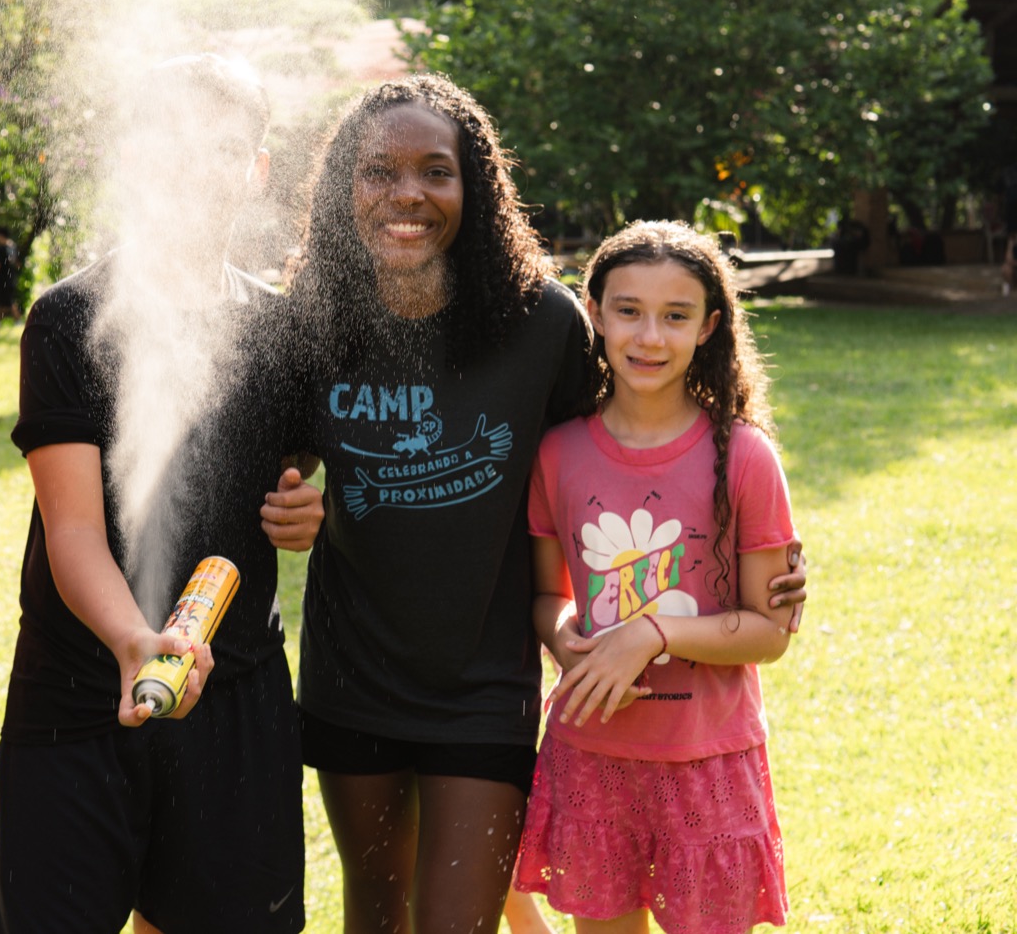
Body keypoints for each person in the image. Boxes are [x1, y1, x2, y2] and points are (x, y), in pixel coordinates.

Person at [283, 76, 806, 934]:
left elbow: (626, 448)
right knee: (374, 917)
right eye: (379, 170)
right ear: (346, 184)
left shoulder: (543, 323)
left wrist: (766, 562)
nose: (408, 192)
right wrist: (287, 505)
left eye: (435, 170)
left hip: (485, 682)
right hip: (354, 677)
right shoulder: (312, 318)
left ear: (475, 185)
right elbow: (278, 461)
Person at [0, 54, 324, 934]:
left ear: (254, 170)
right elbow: (72, 530)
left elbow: (296, 471)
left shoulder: (283, 330)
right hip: (80, 699)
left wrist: (306, 507)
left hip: (238, 700)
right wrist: (134, 639)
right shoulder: (70, 318)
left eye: (223, 148)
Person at [515, 220, 798, 934]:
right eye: (628, 311)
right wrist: (565, 642)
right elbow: (550, 596)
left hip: (708, 759)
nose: (650, 337)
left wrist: (652, 633)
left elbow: (770, 632)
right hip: (594, 755)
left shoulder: (745, 458)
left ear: (708, 327)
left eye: (675, 316)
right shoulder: (557, 453)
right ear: (596, 314)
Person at [0, 226, 23, 321]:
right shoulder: (13, 247)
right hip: (11, 277)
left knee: (8, 301)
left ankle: (18, 320)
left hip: (3, 278)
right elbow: (17, 264)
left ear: (0, 235)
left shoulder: (1, 249)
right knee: (3, 301)